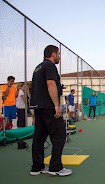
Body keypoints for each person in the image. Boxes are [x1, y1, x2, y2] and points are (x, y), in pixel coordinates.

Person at [30, 45, 72, 176]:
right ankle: (55, 167)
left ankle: (37, 167)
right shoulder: (50, 66)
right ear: (53, 54)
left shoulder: (38, 67)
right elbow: (50, 84)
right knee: (59, 136)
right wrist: (56, 106)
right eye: (58, 54)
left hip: (38, 107)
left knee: (39, 137)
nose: (59, 57)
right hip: (49, 107)